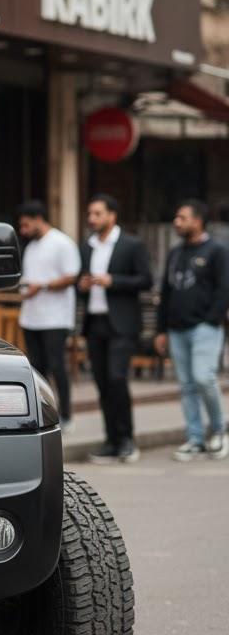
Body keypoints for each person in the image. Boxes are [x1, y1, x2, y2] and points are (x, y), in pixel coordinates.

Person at [77, 194, 153, 464]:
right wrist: (82, 286)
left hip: (122, 323)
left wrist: (113, 281)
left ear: (112, 215)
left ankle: (127, 439)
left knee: (117, 378)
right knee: (102, 383)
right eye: (90, 214)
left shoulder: (131, 244)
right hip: (95, 322)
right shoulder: (87, 247)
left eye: (97, 214)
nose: (92, 219)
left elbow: (146, 280)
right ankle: (110, 440)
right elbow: (80, 281)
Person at [154, 199, 229, 461]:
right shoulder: (175, 253)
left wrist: (211, 319)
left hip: (204, 328)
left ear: (198, 221)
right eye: (176, 217)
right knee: (186, 385)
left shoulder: (217, 250)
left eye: (182, 217)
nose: (177, 222)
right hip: (176, 330)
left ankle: (220, 431)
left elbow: (224, 289)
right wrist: (161, 330)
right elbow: (166, 291)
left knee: (203, 378)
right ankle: (195, 438)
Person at [16, 201, 80, 432]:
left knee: (56, 365)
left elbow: (72, 276)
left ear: (38, 219)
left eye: (25, 225)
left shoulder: (62, 243)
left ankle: (66, 415)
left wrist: (40, 286)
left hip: (56, 317)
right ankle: (42, 415)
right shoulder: (31, 246)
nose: (22, 231)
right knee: (36, 368)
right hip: (31, 316)